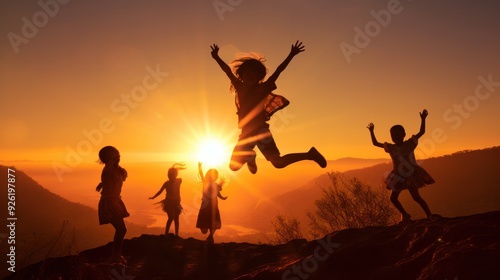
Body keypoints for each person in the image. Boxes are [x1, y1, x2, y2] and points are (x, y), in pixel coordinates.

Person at [210, 41, 327, 174]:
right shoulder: (240, 87)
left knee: (278, 163)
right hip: (246, 134)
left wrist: (291, 55)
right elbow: (227, 71)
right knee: (233, 167)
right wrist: (216, 57)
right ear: (242, 75)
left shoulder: (263, 88)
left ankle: (310, 154)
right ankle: (251, 156)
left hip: (261, 132)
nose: (249, 75)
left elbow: (279, 70)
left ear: (259, 76)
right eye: (247, 73)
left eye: (253, 74)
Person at [367, 109, 437, 222]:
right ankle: (405, 214)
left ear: (404, 134)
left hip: (410, 173)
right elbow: (375, 143)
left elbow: (421, 132)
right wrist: (371, 131)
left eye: (398, 134)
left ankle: (429, 214)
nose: (395, 137)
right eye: (393, 135)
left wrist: (423, 119)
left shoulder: (409, 144)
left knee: (416, 197)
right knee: (393, 198)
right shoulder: (390, 147)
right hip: (398, 175)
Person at [95, 146, 129, 263]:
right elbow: (108, 172)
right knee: (121, 229)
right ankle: (115, 257)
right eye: (117, 156)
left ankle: (116, 256)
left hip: (113, 201)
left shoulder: (114, 170)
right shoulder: (108, 170)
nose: (119, 157)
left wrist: (102, 184)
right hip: (110, 202)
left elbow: (114, 178)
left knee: (121, 229)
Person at [149, 163, 186, 236]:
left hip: (176, 203)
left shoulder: (179, 181)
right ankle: (166, 233)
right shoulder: (167, 183)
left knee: (176, 219)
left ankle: (176, 234)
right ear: (169, 176)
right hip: (169, 203)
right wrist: (153, 197)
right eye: (171, 175)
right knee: (171, 217)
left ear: (175, 175)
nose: (172, 177)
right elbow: (160, 191)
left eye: (173, 175)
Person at [196, 162, 227, 244]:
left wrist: (222, 197)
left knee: (213, 224)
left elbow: (217, 193)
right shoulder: (205, 183)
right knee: (207, 226)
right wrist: (199, 168)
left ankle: (210, 237)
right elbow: (202, 175)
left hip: (213, 206)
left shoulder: (215, 185)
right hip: (207, 206)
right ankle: (210, 238)